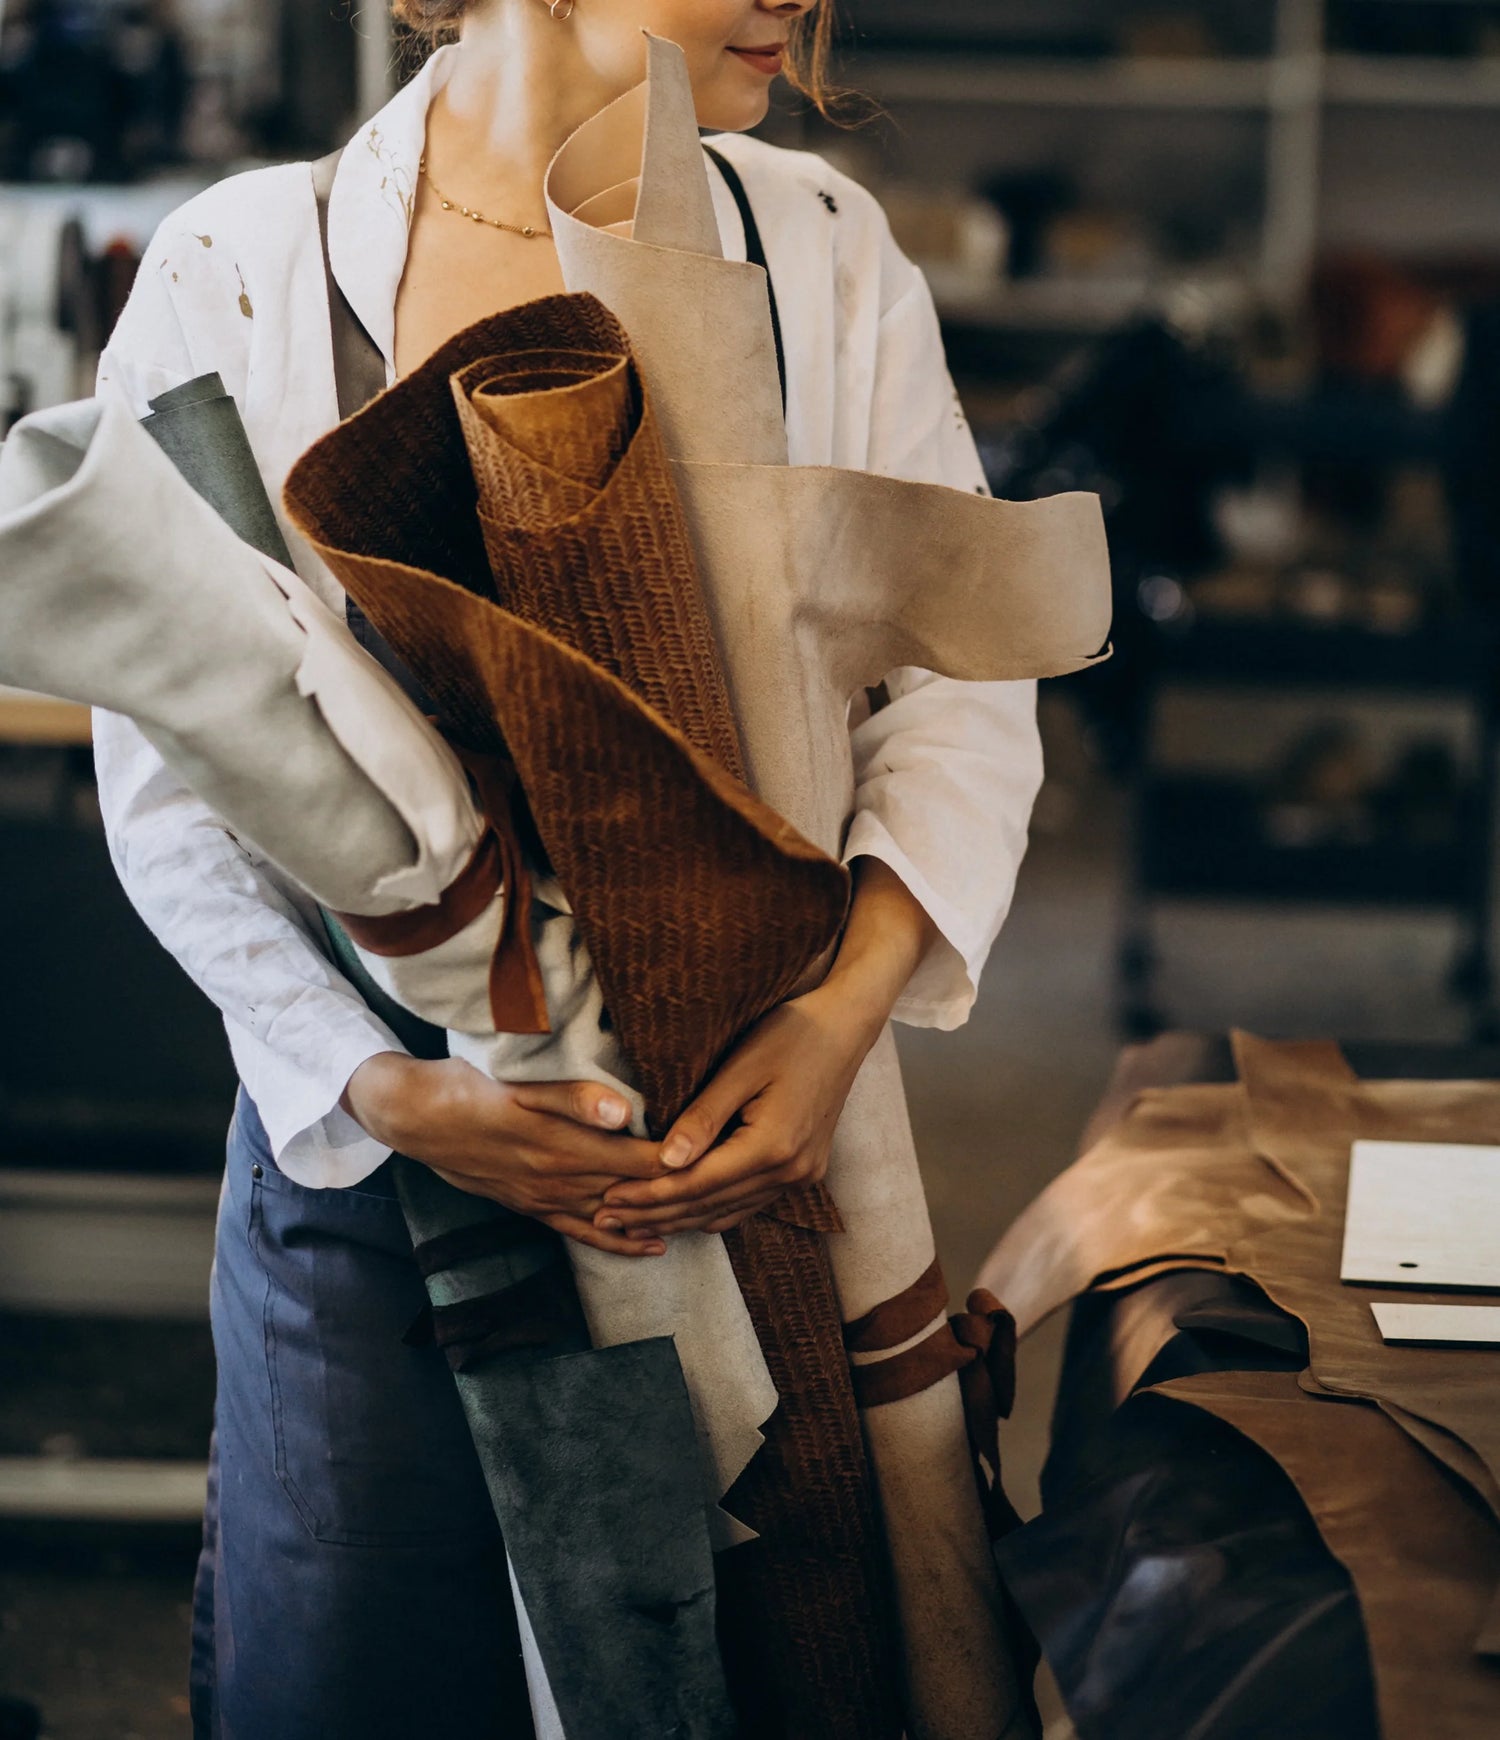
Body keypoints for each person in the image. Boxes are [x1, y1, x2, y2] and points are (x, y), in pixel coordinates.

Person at [93, 2, 1045, 1733]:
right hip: (377, 1188)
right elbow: (168, 781)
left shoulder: (822, 254)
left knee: (766, 1658)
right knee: (366, 1680)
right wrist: (385, 1090)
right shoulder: (241, 269)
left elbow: (962, 688)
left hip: (749, 1143)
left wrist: (837, 1022)